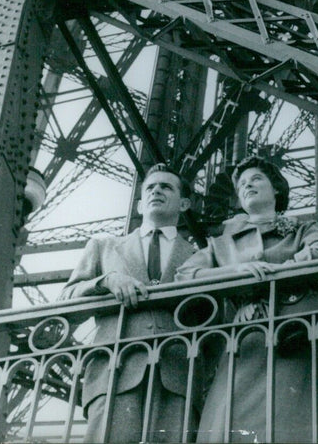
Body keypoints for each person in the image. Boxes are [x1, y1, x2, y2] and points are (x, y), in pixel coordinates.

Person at [176, 155, 318, 443]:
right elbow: (186, 275)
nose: (248, 185)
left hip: (293, 336)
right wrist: (236, 272)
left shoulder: (303, 228)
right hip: (245, 342)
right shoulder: (221, 244)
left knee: (292, 424)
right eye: (242, 184)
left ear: (276, 189)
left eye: (256, 179)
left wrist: (276, 278)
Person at [61, 165, 200, 443]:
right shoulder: (104, 247)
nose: (156, 191)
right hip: (116, 370)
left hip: (178, 374)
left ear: (184, 203)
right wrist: (106, 281)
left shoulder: (200, 255)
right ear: (139, 204)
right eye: (150, 187)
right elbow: (67, 301)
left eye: (166, 187)